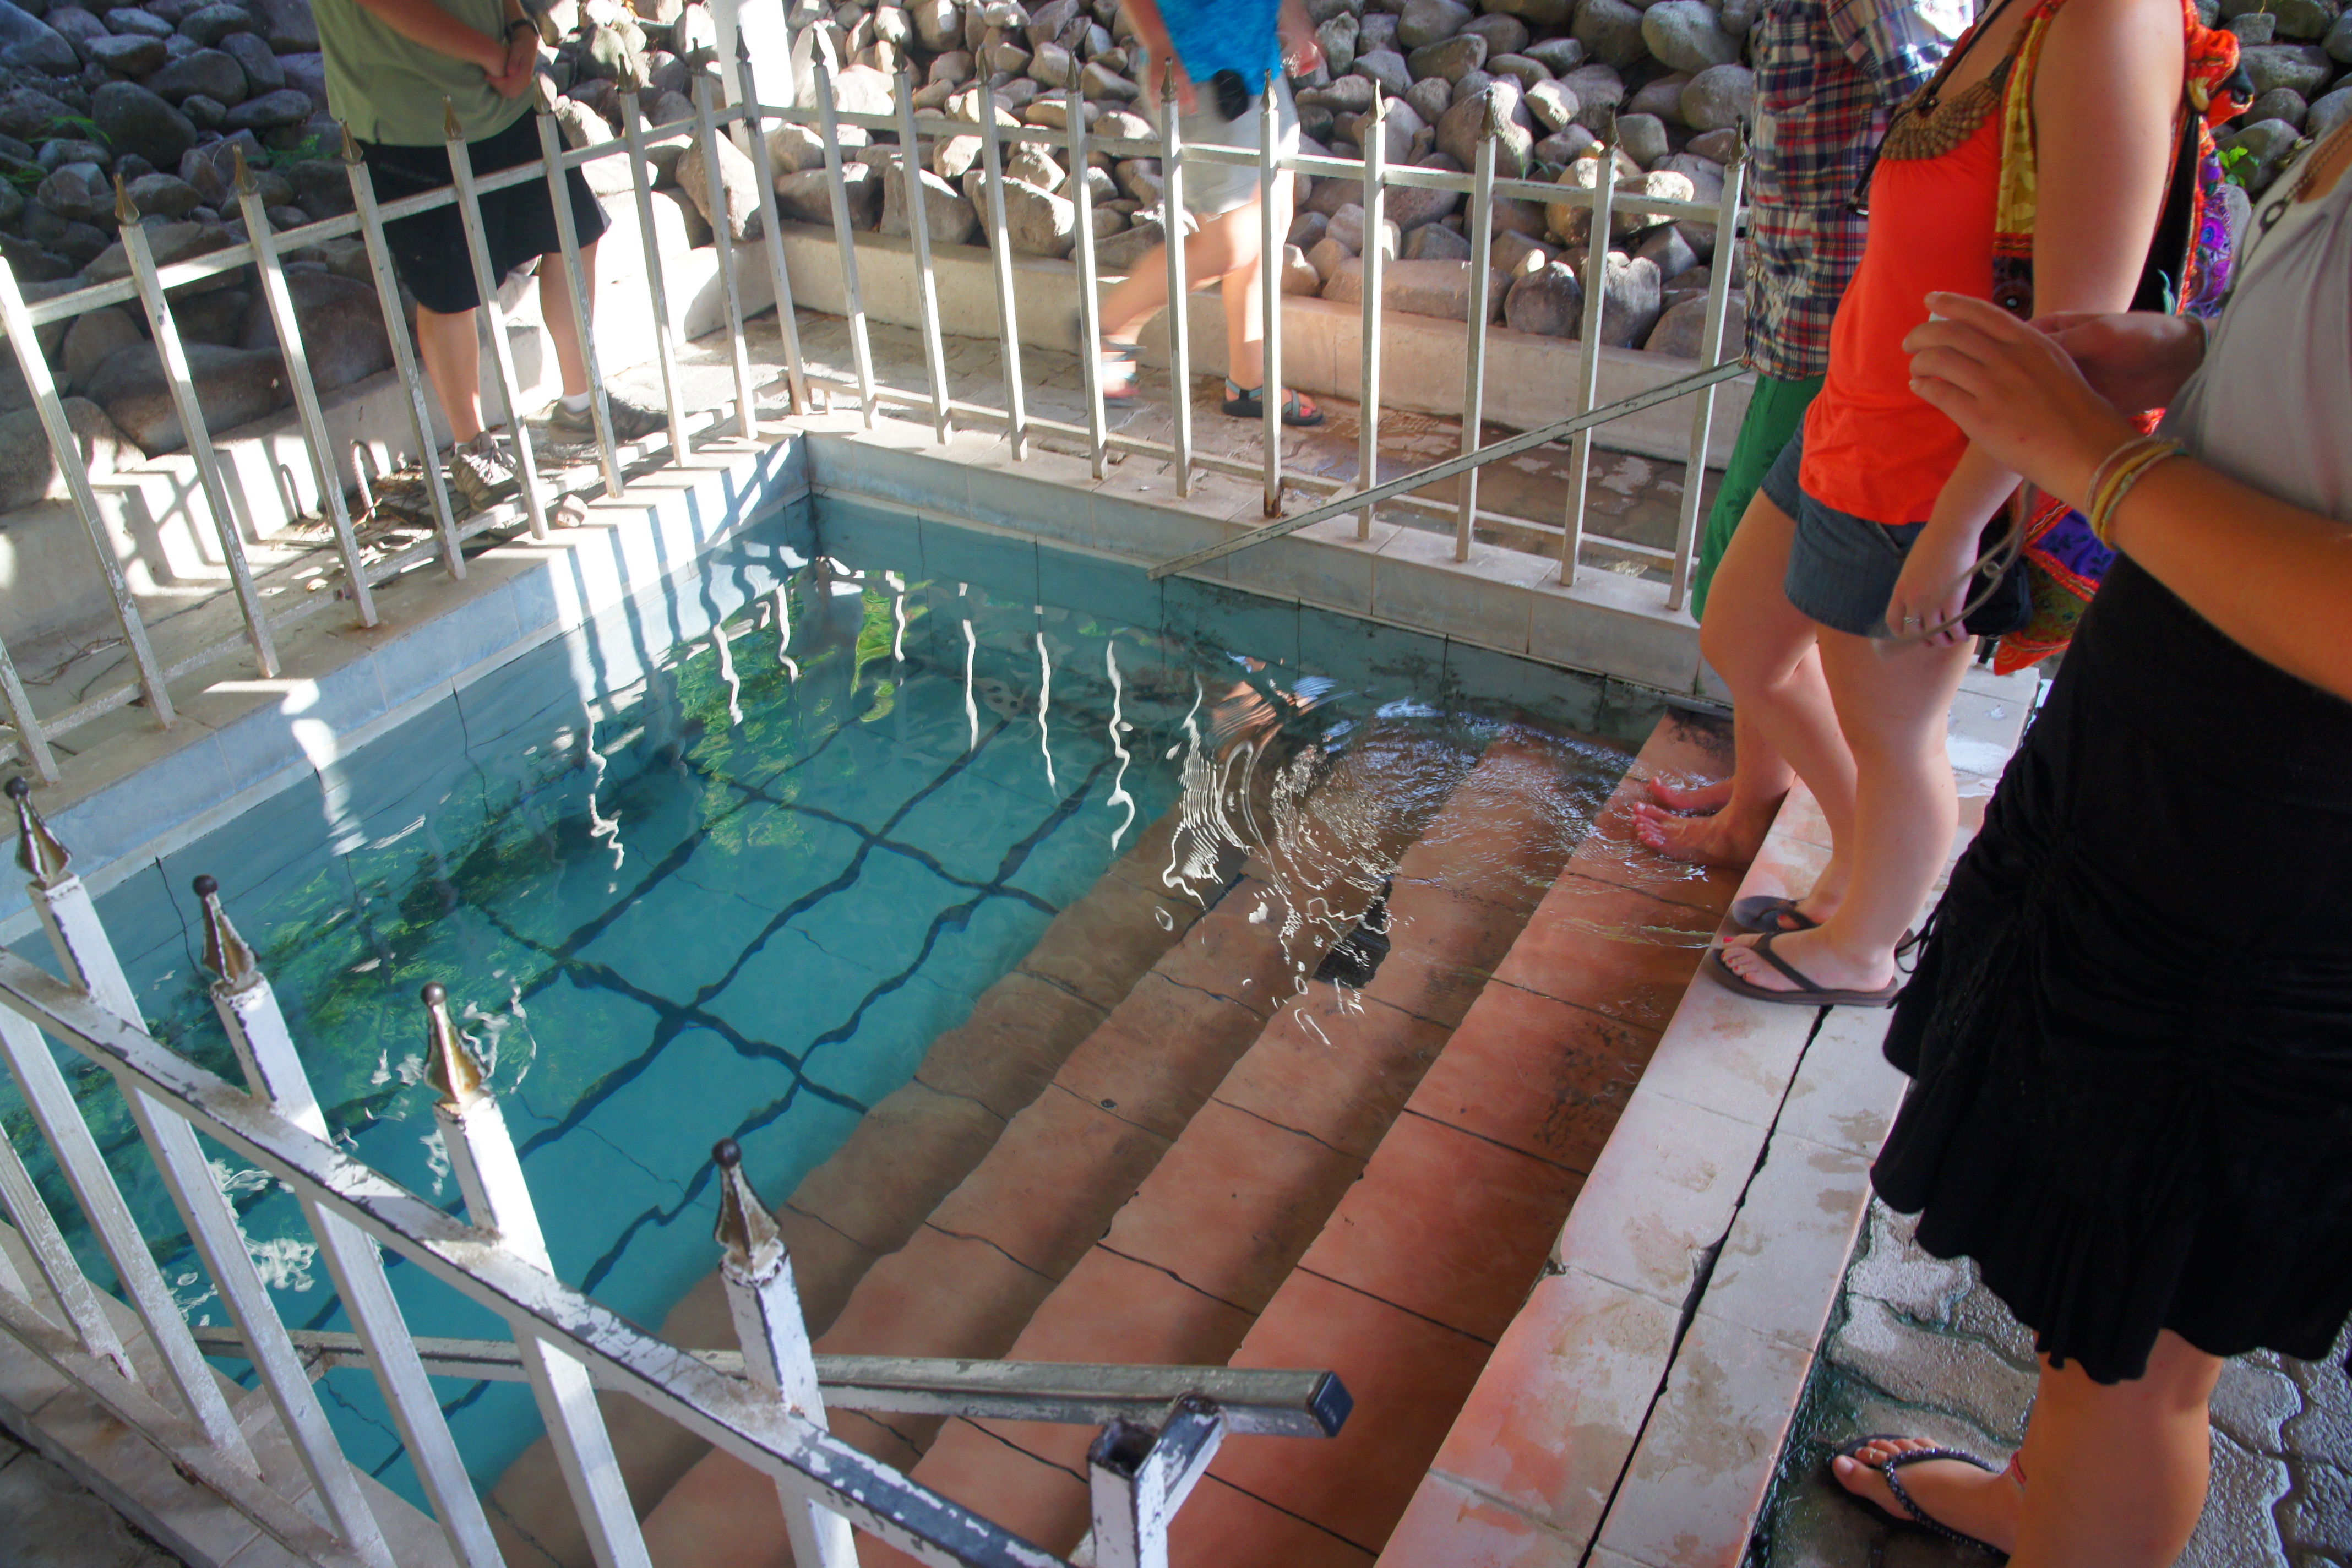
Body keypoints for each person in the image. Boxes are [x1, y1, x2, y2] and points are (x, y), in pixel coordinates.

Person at [1821, 110, 2352, 1564]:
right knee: (2097, 1321)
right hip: (2172, 755)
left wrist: (2087, 458)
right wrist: (2189, 357)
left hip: (2273, 848)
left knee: (2141, 1356)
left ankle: (2081, 1512)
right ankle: (2043, 1503)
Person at [1700, 0, 2207, 1008]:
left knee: (1894, 727)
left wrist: (1962, 524)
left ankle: (1863, 942)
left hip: (1935, 462)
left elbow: (2072, 346)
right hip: (1854, 406)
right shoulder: (2015, 11)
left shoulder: (2109, 22)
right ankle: (1860, 861)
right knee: (1744, 641)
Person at [1630, 0, 1970, 869]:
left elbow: (1941, 114)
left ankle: (1863, 865)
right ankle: (1760, 807)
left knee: (1750, 618)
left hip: (1841, 333)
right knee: (1762, 625)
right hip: (1812, 323)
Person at [312, 0, 665, 510]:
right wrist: (494, 53)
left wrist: (519, 29)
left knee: (572, 233)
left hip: (503, 102)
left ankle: (582, 403)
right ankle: (472, 450)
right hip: (409, 120)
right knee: (451, 292)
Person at [1095, 0, 1326, 427]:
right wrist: (1160, 42)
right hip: (1195, 76)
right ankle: (1110, 327)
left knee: (1270, 224)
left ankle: (1250, 381)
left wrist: (1293, 16)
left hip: (1260, 67)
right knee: (1229, 244)